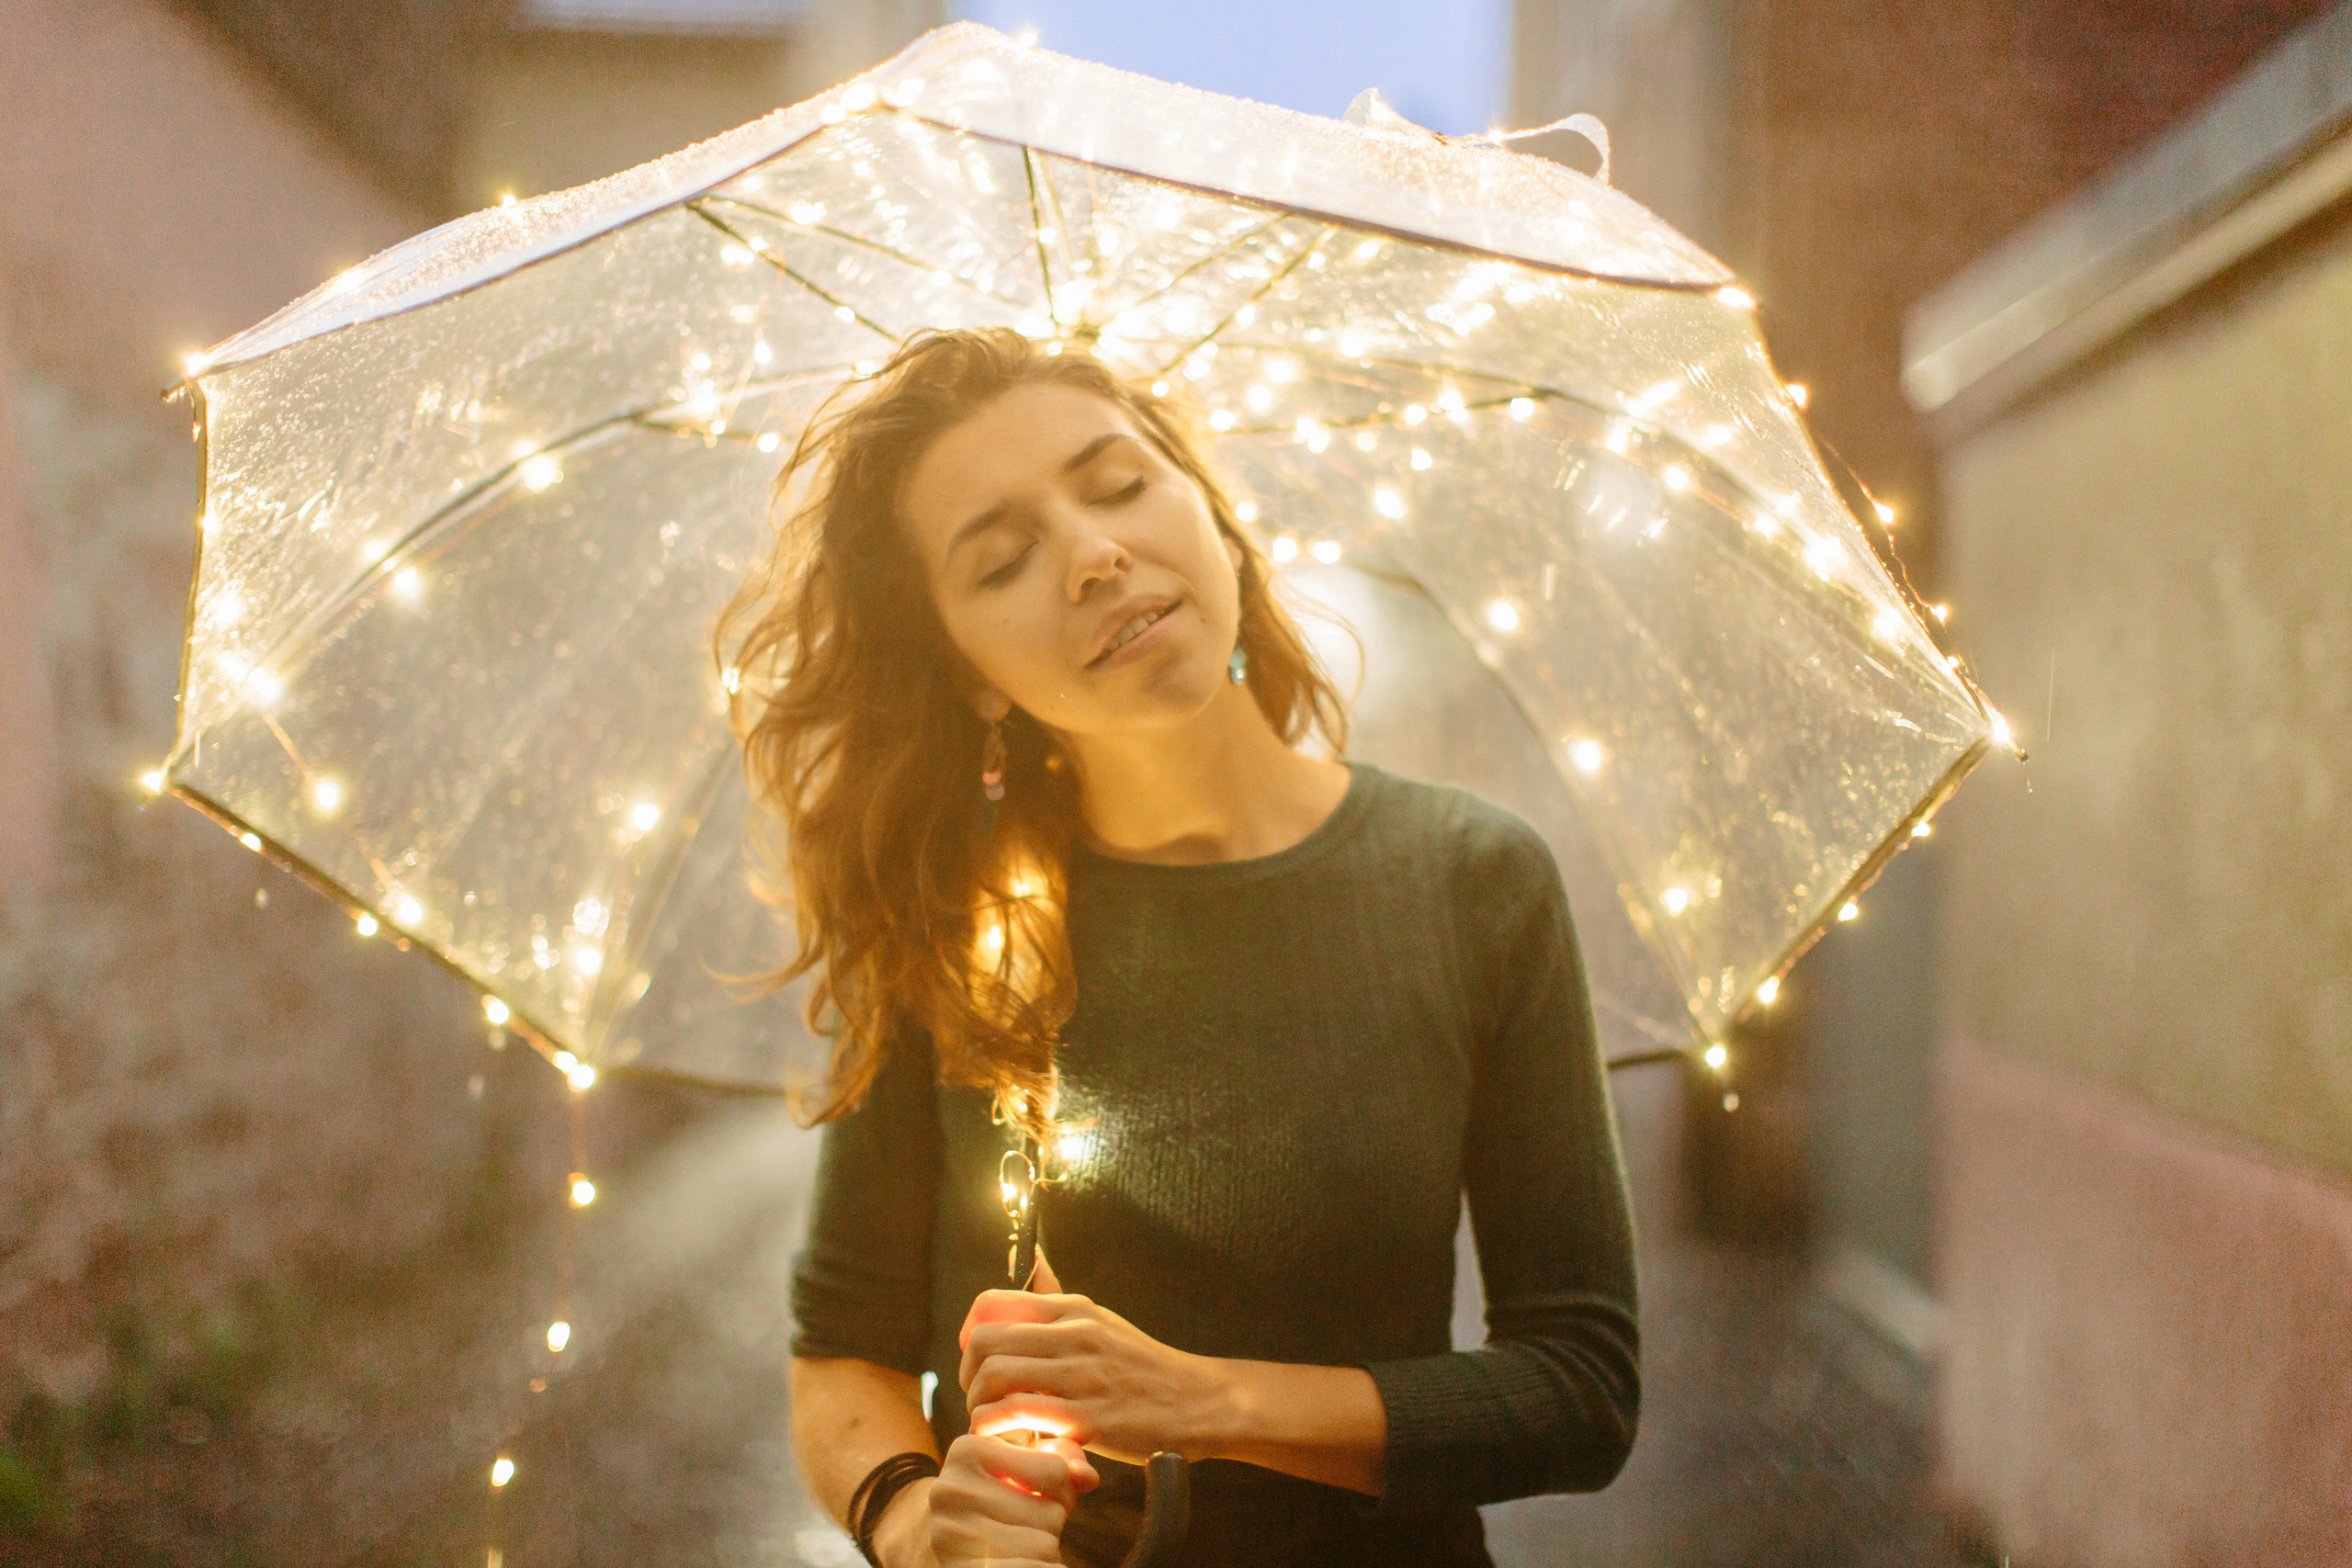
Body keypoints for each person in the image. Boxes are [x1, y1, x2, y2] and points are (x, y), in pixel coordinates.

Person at [720, 326, 1638, 1568]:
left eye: (1117, 487)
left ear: (1207, 509)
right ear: (971, 675)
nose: (1095, 556)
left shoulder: (1474, 881)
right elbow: (845, 1346)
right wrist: (914, 1515)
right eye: (1003, 560)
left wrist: (1199, 1403)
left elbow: (1580, 1390)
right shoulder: (949, 923)